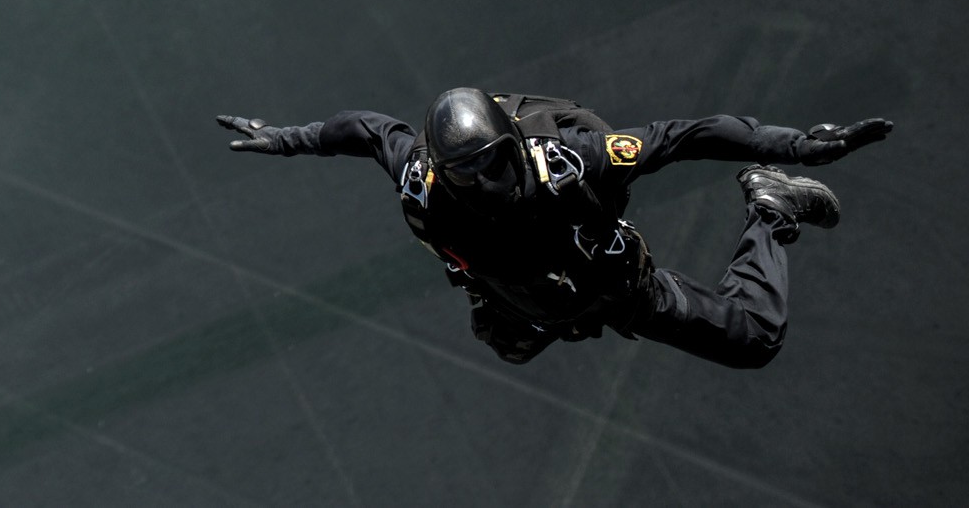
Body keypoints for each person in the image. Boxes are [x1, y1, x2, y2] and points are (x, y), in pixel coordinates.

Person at [215, 90, 891, 368]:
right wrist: (286, 138)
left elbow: (684, 137)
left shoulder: (569, 164)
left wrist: (794, 144)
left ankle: (771, 207)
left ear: (516, 141)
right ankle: (534, 314)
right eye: (469, 176)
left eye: (498, 164)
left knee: (755, 339)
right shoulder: (421, 177)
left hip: (614, 285)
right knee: (508, 340)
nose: (491, 185)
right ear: (443, 173)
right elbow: (366, 130)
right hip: (520, 298)